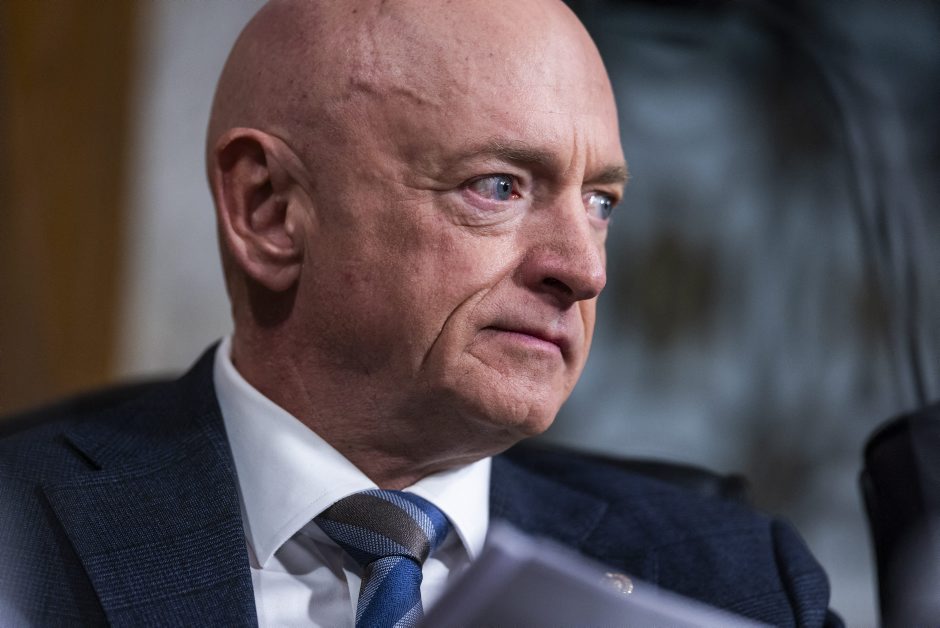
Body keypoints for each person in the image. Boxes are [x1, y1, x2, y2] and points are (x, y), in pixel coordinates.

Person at [0, 0, 840, 626]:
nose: (584, 271)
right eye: (499, 186)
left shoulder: (733, 582)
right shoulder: (17, 543)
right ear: (269, 210)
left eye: (600, 202)